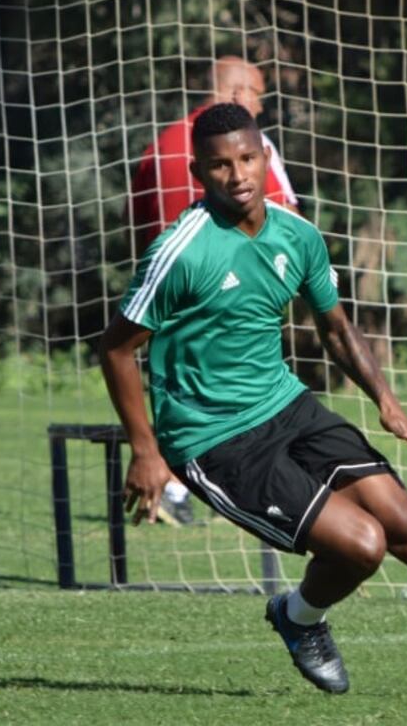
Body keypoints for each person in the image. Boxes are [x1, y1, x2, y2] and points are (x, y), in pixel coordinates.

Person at [99, 102, 407, 702]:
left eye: (247, 158)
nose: (238, 175)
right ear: (198, 171)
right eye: (220, 165)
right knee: (363, 544)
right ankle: (299, 617)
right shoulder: (180, 251)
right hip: (214, 437)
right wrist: (146, 450)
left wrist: (385, 399)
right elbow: (116, 350)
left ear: (265, 156)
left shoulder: (298, 236)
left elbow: (335, 328)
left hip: (288, 406)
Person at [130, 56, 298, 524]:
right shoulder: (252, 147)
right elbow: (285, 220)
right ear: (239, 94)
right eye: (258, 97)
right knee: (259, 399)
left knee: (185, 398)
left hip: (164, 306)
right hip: (233, 298)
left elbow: (139, 224)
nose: (260, 110)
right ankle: (224, 489)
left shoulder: (157, 146)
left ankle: (175, 485)